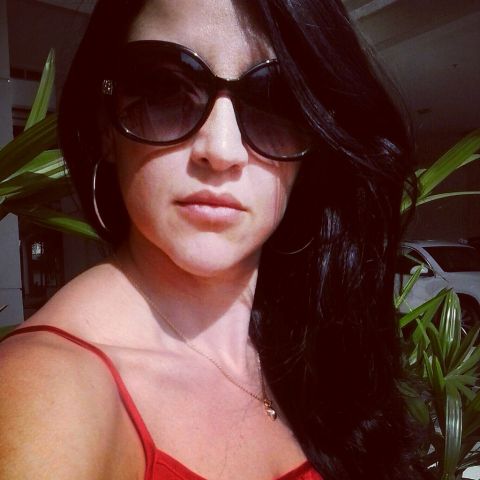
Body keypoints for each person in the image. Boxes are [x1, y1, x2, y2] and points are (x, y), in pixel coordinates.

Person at [0, 0, 427, 479]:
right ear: (105, 125)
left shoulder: (314, 343)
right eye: (164, 89)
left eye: (275, 100)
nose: (221, 150)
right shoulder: (48, 393)